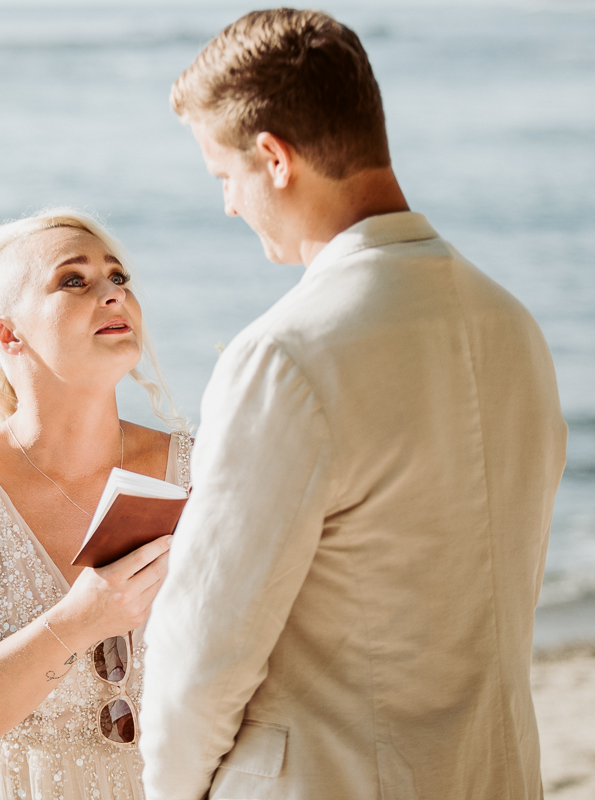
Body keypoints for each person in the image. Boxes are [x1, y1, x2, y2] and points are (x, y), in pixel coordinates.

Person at [140, 9, 569, 800]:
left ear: (273, 158)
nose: (228, 206)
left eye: (221, 178)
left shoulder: (285, 356)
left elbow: (204, 652)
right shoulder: (513, 326)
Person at [0, 208, 191, 800]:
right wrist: (76, 624)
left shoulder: (201, 468)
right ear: (7, 334)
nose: (112, 294)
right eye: (74, 280)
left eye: (118, 278)